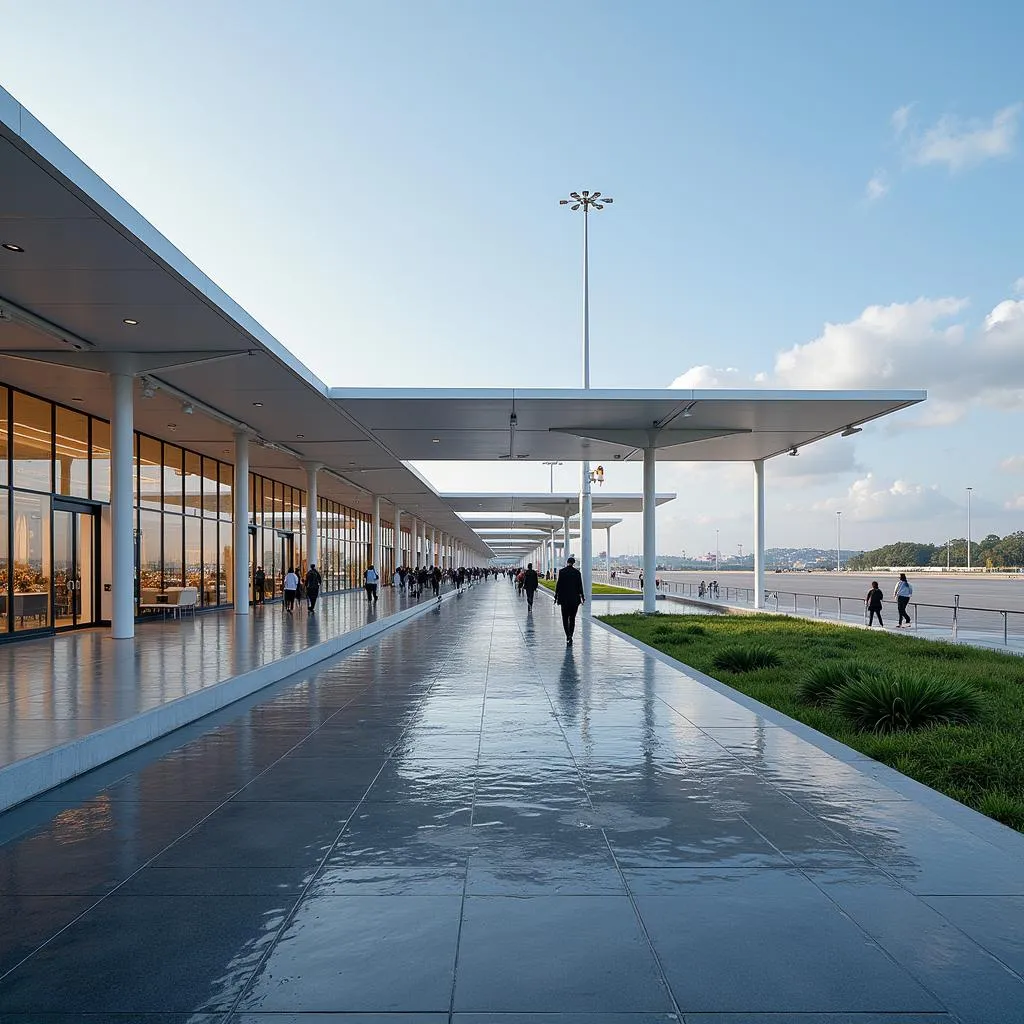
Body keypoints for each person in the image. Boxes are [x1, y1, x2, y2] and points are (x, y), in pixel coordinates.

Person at [554, 555, 585, 645]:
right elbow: (580, 586)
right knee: (572, 618)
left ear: (567, 562)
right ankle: (571, 634)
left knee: (564, 618)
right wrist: (582, 596)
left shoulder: (562, 572)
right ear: (573, 563)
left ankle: (567, 635)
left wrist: (556, 596)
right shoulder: (577, 573)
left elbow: (558, 585)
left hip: (564, 599)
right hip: (574, 600)